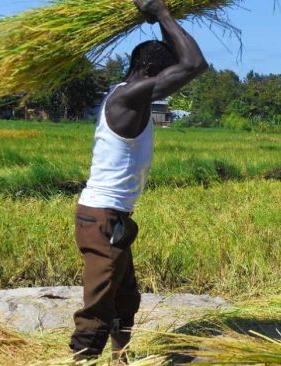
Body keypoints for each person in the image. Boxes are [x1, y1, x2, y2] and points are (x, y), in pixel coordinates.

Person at [69, 0, 207, 361]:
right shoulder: (127, 98)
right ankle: (81, 358)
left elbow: (181, 64)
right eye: (161, 78)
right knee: (97, 304)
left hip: (113, 216)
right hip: (101, 216)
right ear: (146, 70)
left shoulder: (133, 94)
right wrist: (162, 12)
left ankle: (121, 356)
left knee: (124, 297)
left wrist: (162, 23)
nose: (166, 87)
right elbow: (194, 64)